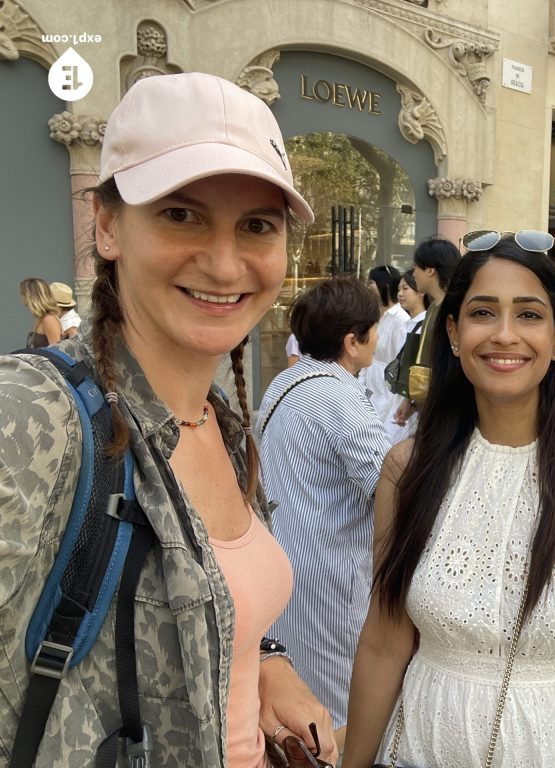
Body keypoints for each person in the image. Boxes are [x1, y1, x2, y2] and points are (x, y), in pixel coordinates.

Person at [0, 72, 338, 767]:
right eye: (180, 214)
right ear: (106, 225)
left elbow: (214, 601)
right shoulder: (37, 415)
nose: (223, 263)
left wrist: (266, 658)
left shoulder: (223, 424)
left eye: (256, 225)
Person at [344, 234, 555, 768]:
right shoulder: (407, 470)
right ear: (454, 332)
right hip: (415, 749)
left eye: (529, 315)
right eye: (483, 312)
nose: (504, 335)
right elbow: (384, 641)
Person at [258, 277, 392, 755]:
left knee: (301, 704)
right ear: (352, 340)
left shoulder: (284, 382)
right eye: (373, 331)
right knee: (337, 714)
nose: (377, 339)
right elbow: (389, 483)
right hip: (328, 579)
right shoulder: (337, 396)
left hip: (285, 570)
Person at [392, 237, 460, 427]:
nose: (413, 273)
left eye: (416, 267)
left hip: (445, 410)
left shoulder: (455, 310)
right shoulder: (432, 308)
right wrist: (412, 400)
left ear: (430, 270)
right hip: (429, 406)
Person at [385, 270, 429, 443]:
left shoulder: (424, 324)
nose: (400, 294)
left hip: (412, 399)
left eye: (405, 288)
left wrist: (409, 400)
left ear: (420, 292)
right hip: (403, 398)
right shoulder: (408, 323)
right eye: (399, 289)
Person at [363, 265, 409, 419]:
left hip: (387, 390)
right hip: (371, 384)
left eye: (372, 282)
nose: (369, 286)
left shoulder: (400, 319)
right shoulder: (379, 314)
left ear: (385, 284)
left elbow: (401, 361)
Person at [18, 277, 62, 347]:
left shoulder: (49, 319)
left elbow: (56, 351)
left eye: (23, 294)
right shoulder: (42, 317)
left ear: (31, 296)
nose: (22, 298)